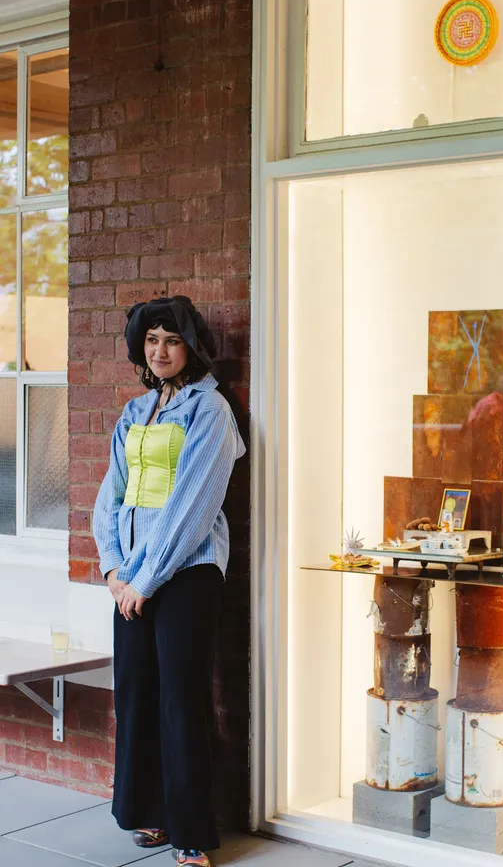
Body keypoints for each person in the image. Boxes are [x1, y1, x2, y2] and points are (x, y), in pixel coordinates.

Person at [93, 296, 246, 867]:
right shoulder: (135, 411)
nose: (160, 351)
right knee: (136, 693)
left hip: (187, 571)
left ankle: (190, 832)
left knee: (181, 698)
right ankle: (150, 811)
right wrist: (114, 568)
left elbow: (194, 502)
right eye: (152, 340)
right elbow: (110, 495)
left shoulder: (211, 410)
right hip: (131, 576)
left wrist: (148, 578)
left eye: (172, 340)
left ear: (191, 347)